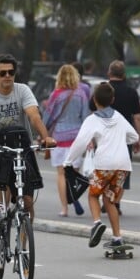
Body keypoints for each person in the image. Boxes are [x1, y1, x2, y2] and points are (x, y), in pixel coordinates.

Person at [0, 53, 56, 238]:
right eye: (3, 73)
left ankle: (23, 251)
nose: (8, 76)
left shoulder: (23, 90)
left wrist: (46, 137)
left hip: (20, 147)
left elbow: (33, 115)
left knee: (27, 201)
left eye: (11, 72)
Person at [64, 82, 139, 248]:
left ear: (94, 100)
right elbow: (134, 137)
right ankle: (117, 237)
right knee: (109, 199)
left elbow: (80, 142)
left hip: (104, 164)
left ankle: (97, 223)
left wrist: (68, 161)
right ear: (112, 100)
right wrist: (120, 140)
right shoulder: (119, 117)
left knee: (93, 195)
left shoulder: (92, 120)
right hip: (122, 165)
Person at [91, 60, 140, 215]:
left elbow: (92, 114)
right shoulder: (131, 92)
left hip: (102, 138)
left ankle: (107, 200)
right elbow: (138, 117)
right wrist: (138, 138)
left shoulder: (101, 90)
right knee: (122, 171)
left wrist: (91, 138)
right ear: (124, 74)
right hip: (124, 138)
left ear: (109, 73)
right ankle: (115, 202)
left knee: (104, 169)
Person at [42, 64, 89, 217]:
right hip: (77, 138)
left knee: (61, 173)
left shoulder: (56, 95)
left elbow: (48, 117)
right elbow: (86, 117)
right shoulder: (81, 94)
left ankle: (64, 208)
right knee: (73, 173)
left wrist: (43, 132)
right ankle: (73, 196)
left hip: (59, 138)